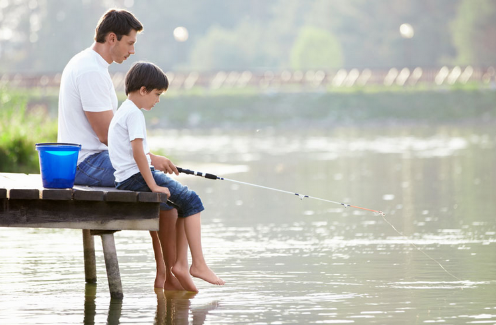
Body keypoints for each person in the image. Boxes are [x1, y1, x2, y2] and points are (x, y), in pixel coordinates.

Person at [57, 9, 183, 291]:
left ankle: (165, 272)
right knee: (164, 188)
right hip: (86, 163)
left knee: (159, 184)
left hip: (88, 159)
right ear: (112, 38)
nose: (133, 50)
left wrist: (149, 160)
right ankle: (167, 275)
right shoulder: (91, 70)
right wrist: (149, 159)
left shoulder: (88, 64)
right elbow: (106, 135)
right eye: (129, 42)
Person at [108, 61, 225, 292]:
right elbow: (138, 153)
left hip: (126, 178)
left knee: (184, 204)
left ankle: (181, 265)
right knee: (192, 200)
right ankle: (197, 264)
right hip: (137, 178)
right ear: (143, 90)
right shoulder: (134, 114)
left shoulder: (124, 110)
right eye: (157, 94)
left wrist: (155, 168)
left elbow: (136, 154)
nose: (157, 100)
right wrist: (152, 185)